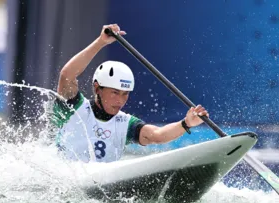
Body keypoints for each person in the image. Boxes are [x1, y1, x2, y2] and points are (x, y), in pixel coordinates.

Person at [52, 24, 209, 163]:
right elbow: (67, 75)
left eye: (125, 94)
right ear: (97, 88)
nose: (121, 100)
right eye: (115, 92)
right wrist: (101, 42)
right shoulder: (74, 108)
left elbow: (157, 135)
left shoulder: (125, 124)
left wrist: (186, 123)